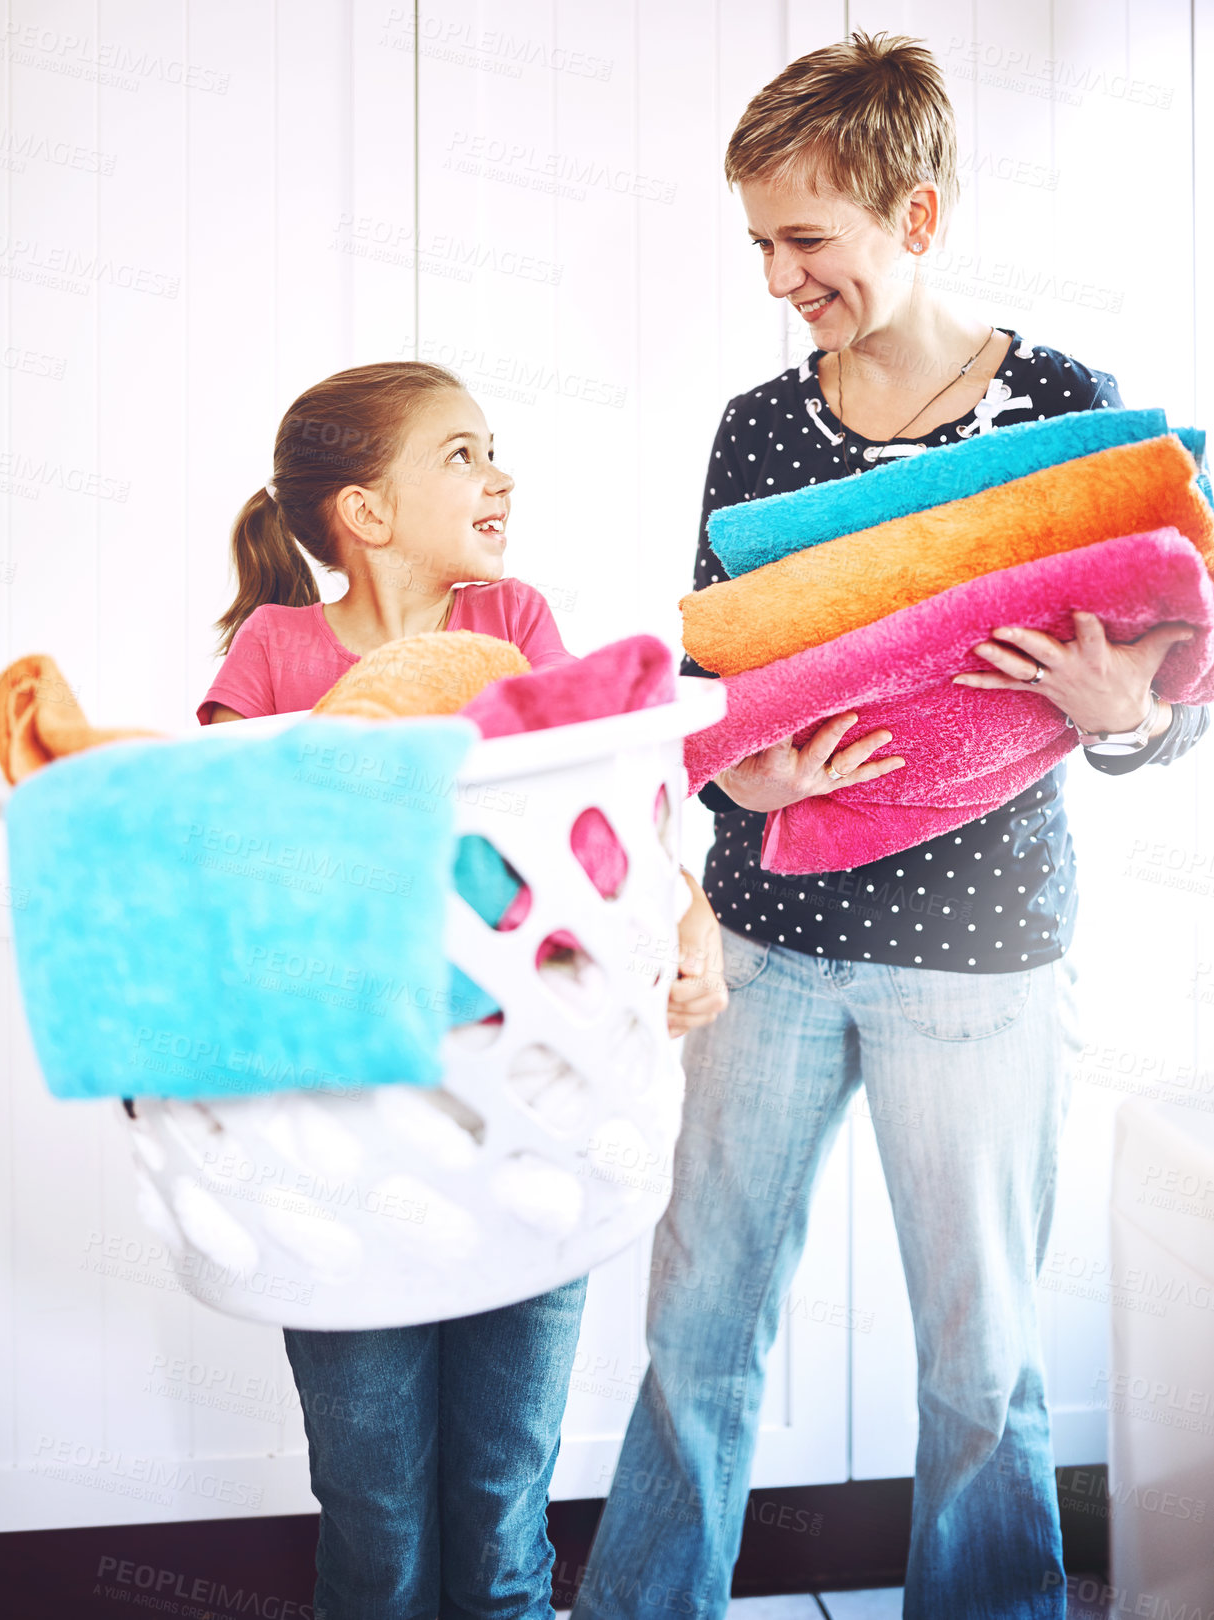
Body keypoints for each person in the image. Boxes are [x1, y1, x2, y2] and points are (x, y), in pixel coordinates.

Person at [570, 32, 1208, 1620]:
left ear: (912, 218)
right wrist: (742, 782)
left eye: (809, 241)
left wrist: (1126, 712)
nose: (783, 277)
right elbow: (705, 689)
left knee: (980, 1357)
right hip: (769, 945)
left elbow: (1161, 678)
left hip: (982, 953)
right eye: (763, 245)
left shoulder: (1065, 414)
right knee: (698, 1328)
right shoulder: (757, 432)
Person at [198, 360, 728, 1620]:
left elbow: (611, 814)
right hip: (337, 1137)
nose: (499, 474)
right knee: (376, 1512)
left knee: (502, 1501)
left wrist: (688, 915)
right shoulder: (274, 650)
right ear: (365, 512)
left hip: (529, 1120)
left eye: (496, 449)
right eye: (460, 454)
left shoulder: (516, 624)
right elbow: (226, 842)